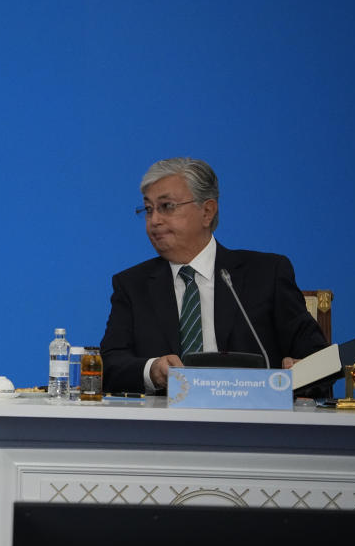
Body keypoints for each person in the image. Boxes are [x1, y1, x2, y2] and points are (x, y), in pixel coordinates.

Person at [100, 158, 327, 394]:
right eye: (148, 210)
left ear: (207, 212)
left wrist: (302, 370)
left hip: (254, 420)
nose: (154, 220)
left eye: (166, 206)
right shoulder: (133, 285)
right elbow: (110, 365)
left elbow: (319, 359)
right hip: (166, 425)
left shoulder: (266, 274)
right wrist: (152, 370)